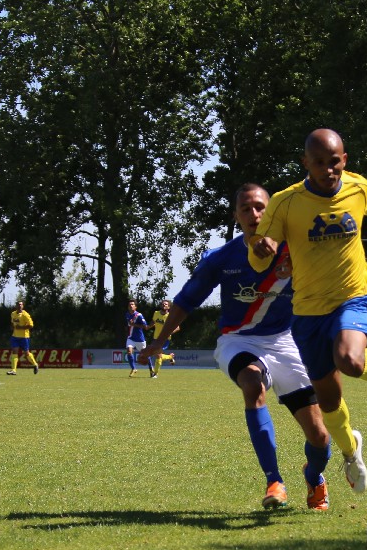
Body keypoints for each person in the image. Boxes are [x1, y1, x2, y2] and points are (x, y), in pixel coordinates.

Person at [141, 184, 334, 510]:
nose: (254, 214)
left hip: (285, 342)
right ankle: (274, 481)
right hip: (238, 340)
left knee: (319, 436)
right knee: (251, 382)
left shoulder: (296, 250)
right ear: (236, 216)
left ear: (272, 212)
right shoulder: (221, 258)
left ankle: (313, 476)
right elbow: (186, 300)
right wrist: (160, 341)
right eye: (246, 208)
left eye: (260, 207)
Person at [248, 128, 367, 495]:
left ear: (344, 160)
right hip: (308, 311)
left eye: (334, 162)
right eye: (319, 163)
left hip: (354, 294)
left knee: (350, 360)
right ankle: (351, 451)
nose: (328, 169)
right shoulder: (285, 203)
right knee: (329, 401)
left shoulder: (356, 186)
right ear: (305, 163)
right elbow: (261, 250)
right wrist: (261, 248)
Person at [7, 300, 40, 375]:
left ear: (23, 306)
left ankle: (35, 364)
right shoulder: (13, 314)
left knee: (26, 353)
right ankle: (13, 370)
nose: (19, 306)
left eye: (21, 304)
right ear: (16, 306)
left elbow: (31, 325)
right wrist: (12, 327)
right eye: (18, 304)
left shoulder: (25, 315)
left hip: (24, 337)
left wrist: (21, 327)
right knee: (14, 352)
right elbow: (12, 323)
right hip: (15, 336)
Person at [125, 300, 155, 378]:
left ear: (135, 307)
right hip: (130, 338)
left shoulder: (139, 315)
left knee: (146, 355)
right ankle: (134, 368)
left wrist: (134, 324)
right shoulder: (127, 314)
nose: (131, 306)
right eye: (129, 305)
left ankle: (151, 369)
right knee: (129, 351)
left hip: (140, 339)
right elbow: (129, 325)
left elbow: (145, 327)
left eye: (132, 304)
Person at [150, 298, 178, 376]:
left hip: (165, 339)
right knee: (155, 354)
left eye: (166, 304)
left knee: (158, 355)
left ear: (169, 307)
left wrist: (170, 332)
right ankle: (170, 357)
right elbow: (153, 322)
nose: (164, 305)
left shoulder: (170, 316)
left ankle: (155, 374)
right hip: (156, 338)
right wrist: (147, 326)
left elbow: (178, 327)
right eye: (163, 304)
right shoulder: (156, 313)